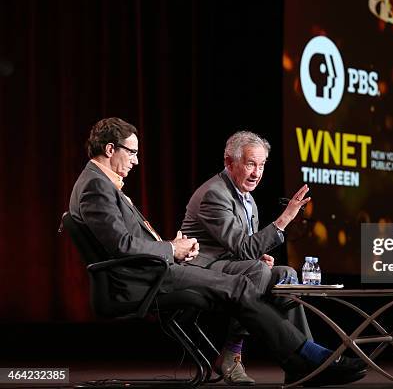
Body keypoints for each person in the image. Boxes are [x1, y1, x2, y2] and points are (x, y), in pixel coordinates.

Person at [68, 117, 367, 386]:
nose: (136, 160)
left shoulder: (102, 185)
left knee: (270, 278)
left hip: (154, 271)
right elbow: (121, 246)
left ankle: (307, 361)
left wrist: (175, 248)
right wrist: (172, 248)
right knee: (243, 284)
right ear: (110, 149)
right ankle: (310, 357)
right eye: (131, 152)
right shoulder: (96, 186)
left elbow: (127, 242)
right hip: (143, 280)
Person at [181, 131, 312, 384]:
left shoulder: (248, 200)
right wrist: (285, 219)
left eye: (262, 165)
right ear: (230, 162)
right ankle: (232, 352)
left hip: (231, 265)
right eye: (251, 164)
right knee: (257, 271)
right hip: (201, 269)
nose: (257, 173)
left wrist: (260, 256)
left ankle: (304, 362)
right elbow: (242, 248)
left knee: (287, 275)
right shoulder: (214, 194)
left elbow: (244, 248)